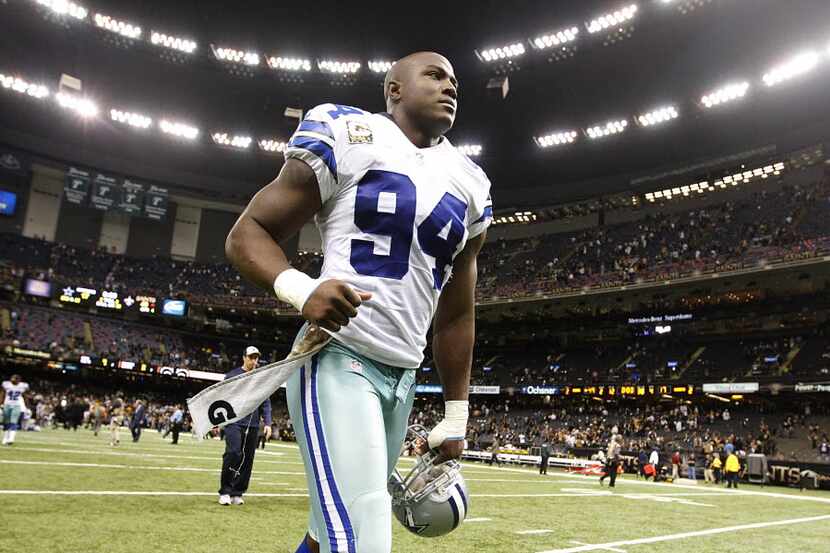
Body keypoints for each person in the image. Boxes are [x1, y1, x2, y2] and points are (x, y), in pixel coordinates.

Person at [225, 51, 491, 553]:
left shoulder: (471, 182)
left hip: (402, 378)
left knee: (327, 536)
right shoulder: (347, 133)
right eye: (434, 75)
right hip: (338, 357)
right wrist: (301, 289)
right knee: (364, 540)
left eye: (454, 80)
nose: (449, 86)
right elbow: (247, 234)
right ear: (394, 89)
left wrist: (456, 414)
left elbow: (457, 311)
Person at [218, 347, 272, 506]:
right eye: (251, 358)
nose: (254, 361)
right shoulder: (232, 376)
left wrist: (267, 423)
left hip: (253, 424)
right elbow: (221, 398)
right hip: (234, 422)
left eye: (256, 358)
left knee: (247, 459)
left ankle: (237, 492)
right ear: (244, 358)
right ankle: (225, 491)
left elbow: (266, 401)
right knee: (233, 453)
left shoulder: (260, 378)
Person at [2, 374, 29, 445]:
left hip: (17, 405)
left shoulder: (23, 386)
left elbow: (25, 396)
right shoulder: (6, 384)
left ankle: (11, 439)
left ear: (19, 380)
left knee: (13, 422)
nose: (14, 380)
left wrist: (26, 406)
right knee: (7, 423)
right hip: (7, 404)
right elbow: (2, 394)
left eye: (16, 379)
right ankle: (5, 438)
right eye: (13, 378)